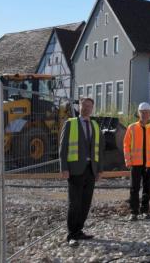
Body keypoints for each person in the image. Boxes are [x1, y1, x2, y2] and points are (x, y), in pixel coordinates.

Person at [59, 97, 104, 247]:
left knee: (85, 203)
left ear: (92, 108)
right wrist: (64, 168)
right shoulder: (70, 124)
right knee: (75, 203)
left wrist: (99, 170)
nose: (86, 108)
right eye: (84, 105)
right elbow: (63, 148)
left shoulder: (95, 126)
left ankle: (79, 230)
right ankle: (71, 234)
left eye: (89, 106)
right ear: (80, 107)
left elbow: (100, 150)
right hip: (75, 170)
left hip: (91, 170)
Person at [123, 102, 150, 221]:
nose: (145, 114)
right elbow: (126, 145)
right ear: (139, 113)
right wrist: (128, 160)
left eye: (147, 112)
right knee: (134, 188)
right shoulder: (132, 127)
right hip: (135, 163)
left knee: (147, 188)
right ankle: (134, 212)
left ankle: (145, 211)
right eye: (142, 112)